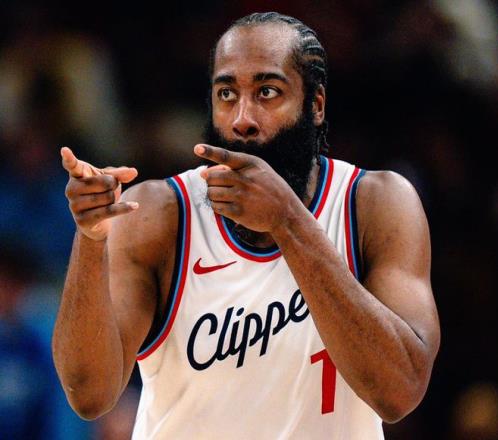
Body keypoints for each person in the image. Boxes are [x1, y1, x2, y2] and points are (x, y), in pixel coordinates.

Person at [52, 12, 440, 439]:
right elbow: (88, 396)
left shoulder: (375, 204)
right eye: (226, 93)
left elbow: (400, 391)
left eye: (267, 92)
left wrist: (288, 221)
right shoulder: (159, 214)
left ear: (315, 105)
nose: (242, 119)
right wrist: (90, 240)